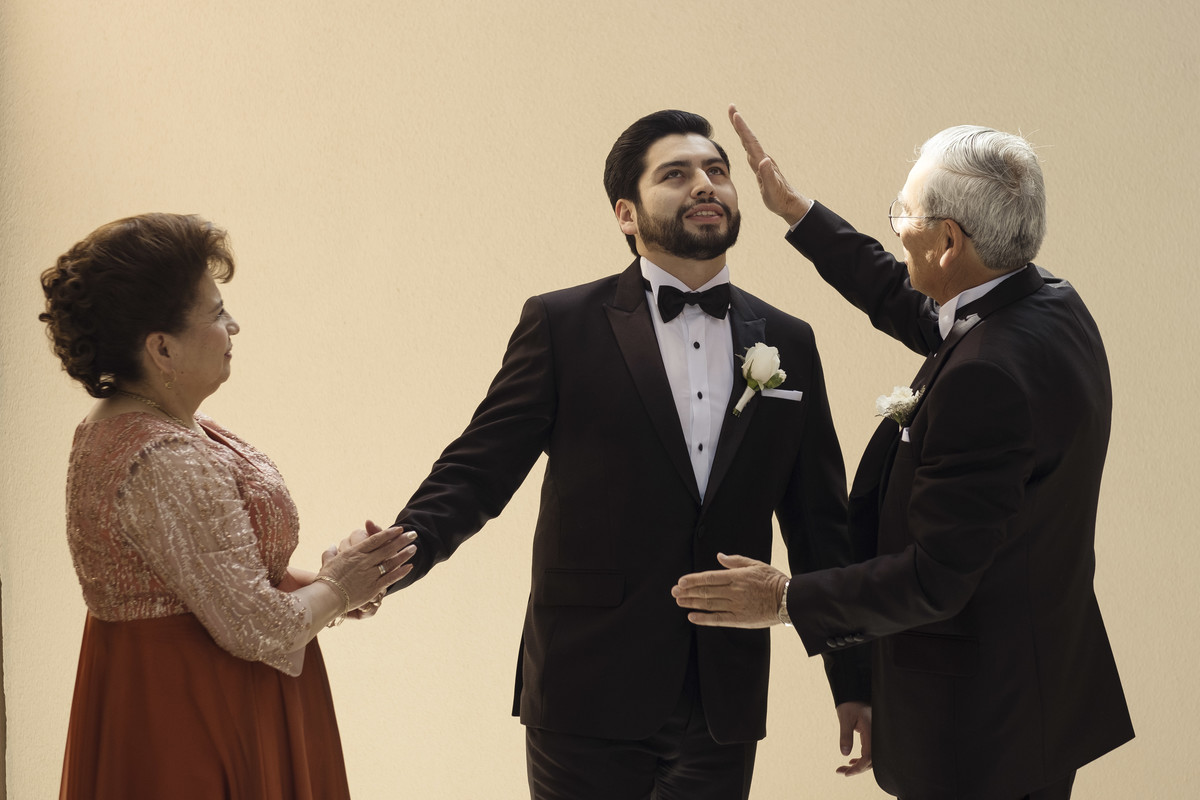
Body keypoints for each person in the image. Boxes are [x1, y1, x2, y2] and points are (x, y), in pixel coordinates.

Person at [371, 109, 870, 800]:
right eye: (677, 173)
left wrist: (854, 682)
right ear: (626, 214)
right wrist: (394, 559)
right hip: (586, 689)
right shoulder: (561, 324)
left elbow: (821, 525)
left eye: (717, 172)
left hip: (722, 696)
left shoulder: (788, 340)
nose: (706, 185)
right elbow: (479, 468)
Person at [673, 106, 1134, 799]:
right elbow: (915, 306)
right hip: (1036, 697)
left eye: (903, 215)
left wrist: (786, 598)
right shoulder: (1047, 306)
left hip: (976, 736)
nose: (897, 228)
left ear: (948, 241)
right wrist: (798, 213)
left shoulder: (986, 376)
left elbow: (934, 579)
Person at [40, 213, 417, 799]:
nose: (233, 326)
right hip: (194, 719)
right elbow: (255, 626)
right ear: (161, 347)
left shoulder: (156, 428)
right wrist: (339, 589)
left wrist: (327, 581)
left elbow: (202, 579)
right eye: (216, 314)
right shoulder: (162, 456)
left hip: (188, 700)